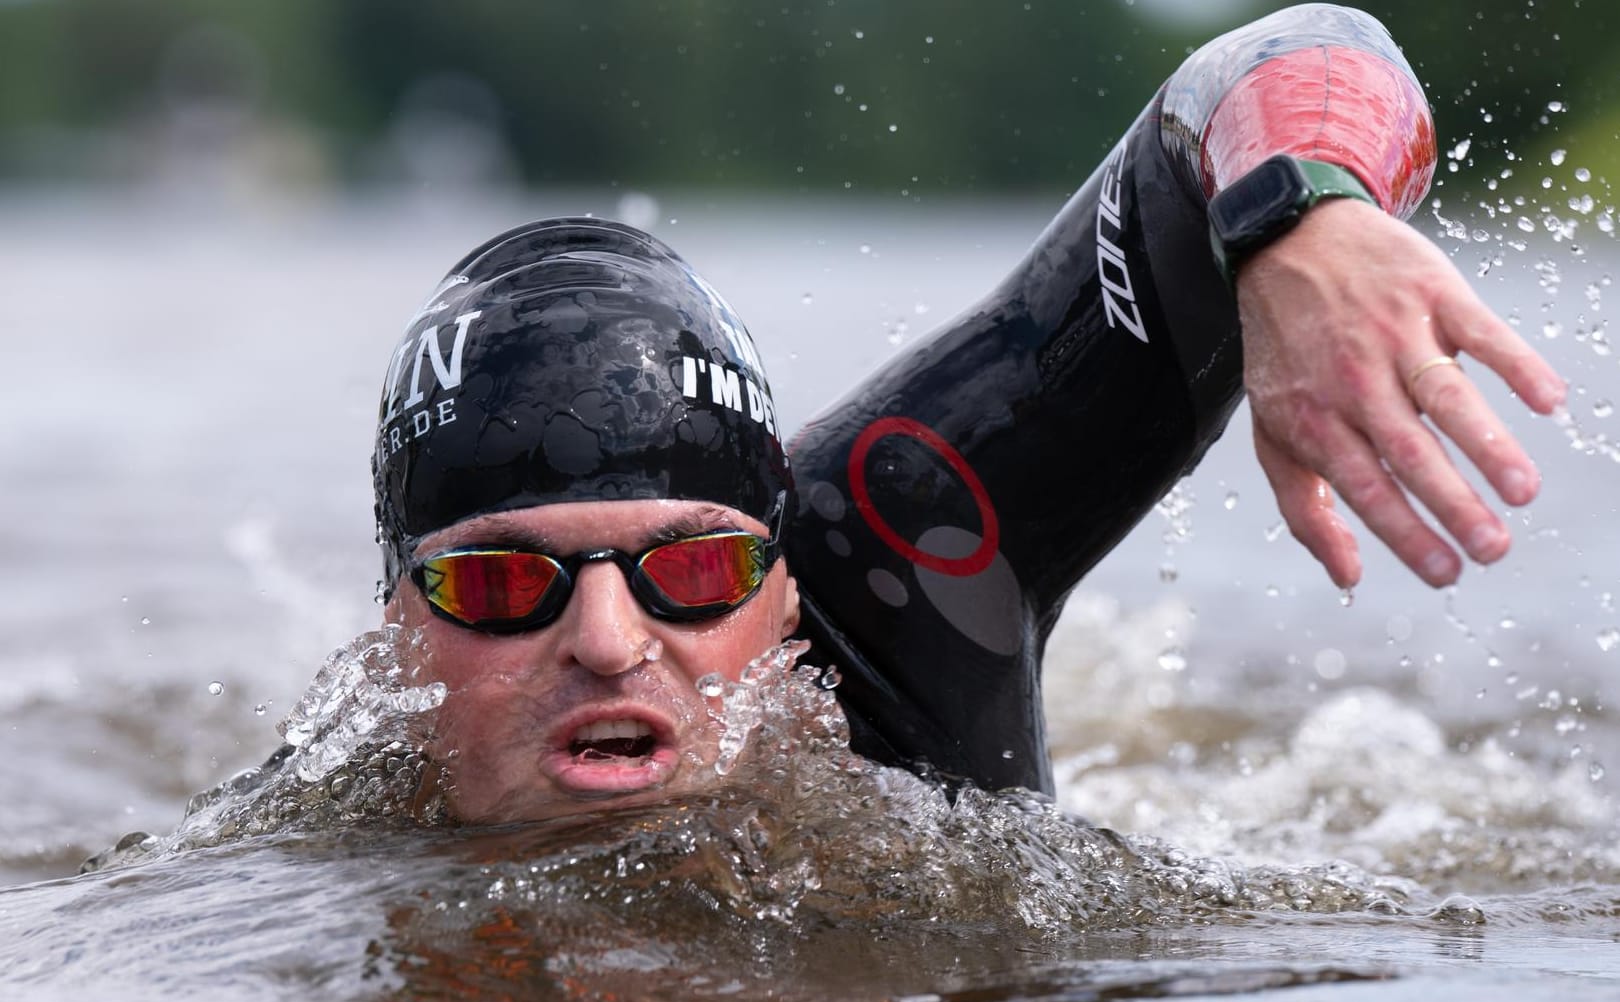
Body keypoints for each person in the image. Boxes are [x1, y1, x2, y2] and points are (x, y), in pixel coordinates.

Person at [373, 3, 1564, 824]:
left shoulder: (896, 549)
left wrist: (1300, 214)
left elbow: (1302, 48)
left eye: (692, 569)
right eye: (499, 586)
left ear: (785, 593)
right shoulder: (286, 866)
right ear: (395, 636)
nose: (607, 642)